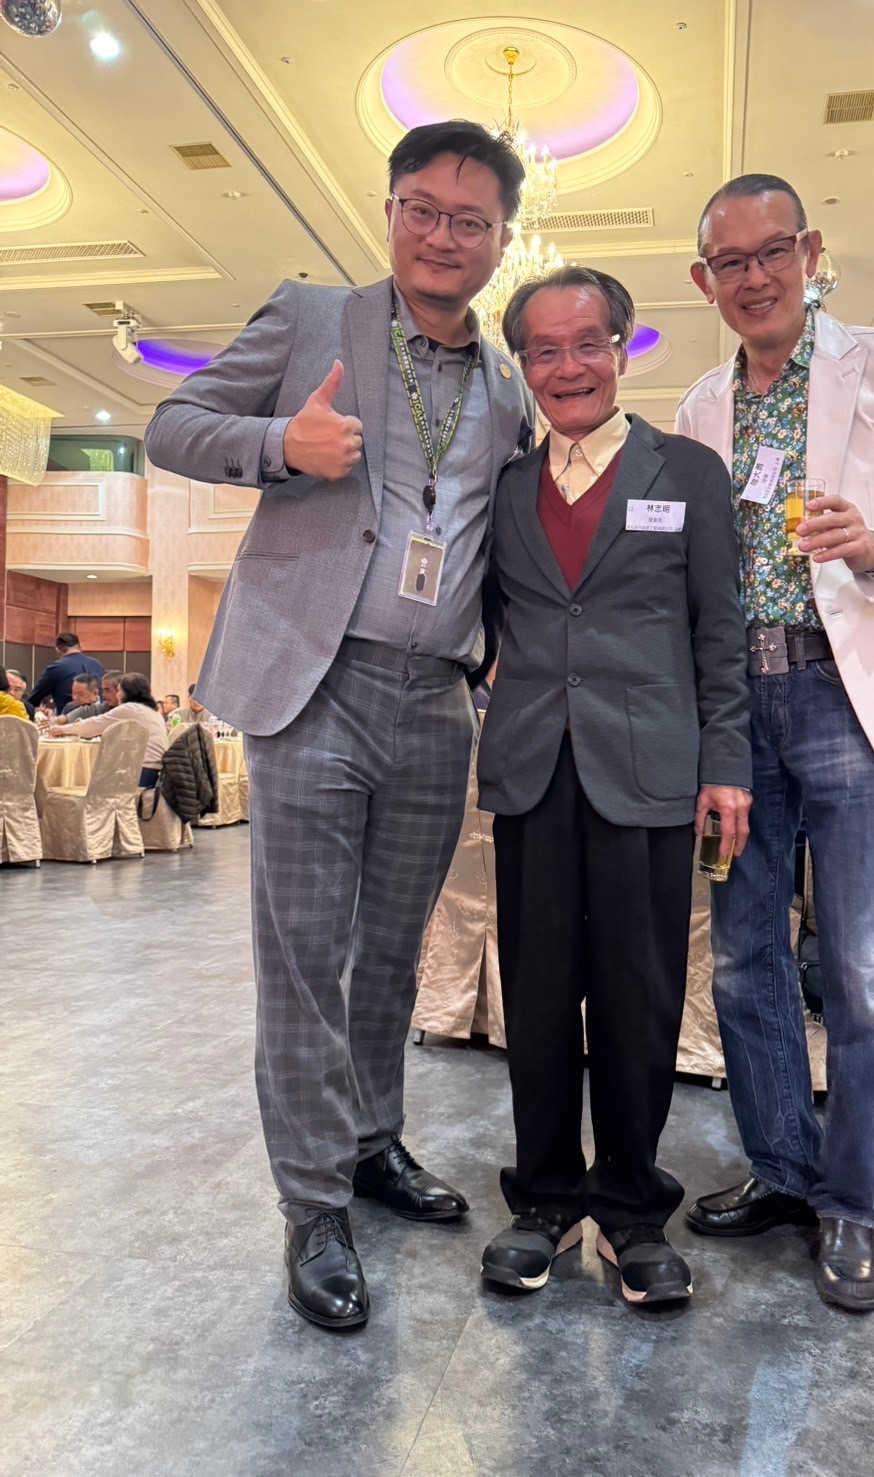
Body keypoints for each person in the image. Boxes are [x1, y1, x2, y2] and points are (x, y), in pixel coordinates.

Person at [144, 120, 531, 1331]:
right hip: (315, 682)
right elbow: (171, 424)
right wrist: (282, 444)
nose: (443, 236)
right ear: (391, 209)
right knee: (304, 955)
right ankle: (313, 1203)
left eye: (470, 221)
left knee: (392, 951)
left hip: (438, 699)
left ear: (503, 242)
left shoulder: (509, 386)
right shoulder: (312, 318)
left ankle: (371, 1141)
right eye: (423, 209)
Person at [676, 173, 874, 1312]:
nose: (754, 277)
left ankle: (851, 1202)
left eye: (773, 252)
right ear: (704, 280)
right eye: (730, 262)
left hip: (847, 694)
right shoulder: (700, 405)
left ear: (809, 253)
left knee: (858, 970)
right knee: (741, 955)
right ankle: (781, 1170)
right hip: (732, 709)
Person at [476, 267, 752, 1306]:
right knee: (539, 993)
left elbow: (719, 632)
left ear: (623, 350)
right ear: (524, 367)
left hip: (649, 772)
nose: (567, 367)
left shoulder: (688, 472)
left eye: (587, 343)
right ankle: (545, 1198)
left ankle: (632, 1208)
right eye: (544, 351)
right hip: (532, 769)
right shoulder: (506, 485)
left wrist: (726, 763)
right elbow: (486, 622)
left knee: (639, 997)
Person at [54, 672, 167, 787]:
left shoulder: (129, 709)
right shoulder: (153, 712)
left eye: (119, 691)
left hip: (140, 771)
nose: (118, 695)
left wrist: (61, 730)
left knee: (90, 783)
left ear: (127, 693)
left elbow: (94, 726)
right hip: (156, 772)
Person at [28, 634, 105, 715]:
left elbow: (33, 700)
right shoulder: (97, 665)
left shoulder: (56, 668)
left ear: (57, 650)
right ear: (79, 647)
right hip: (100, 717)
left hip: (68, 718)